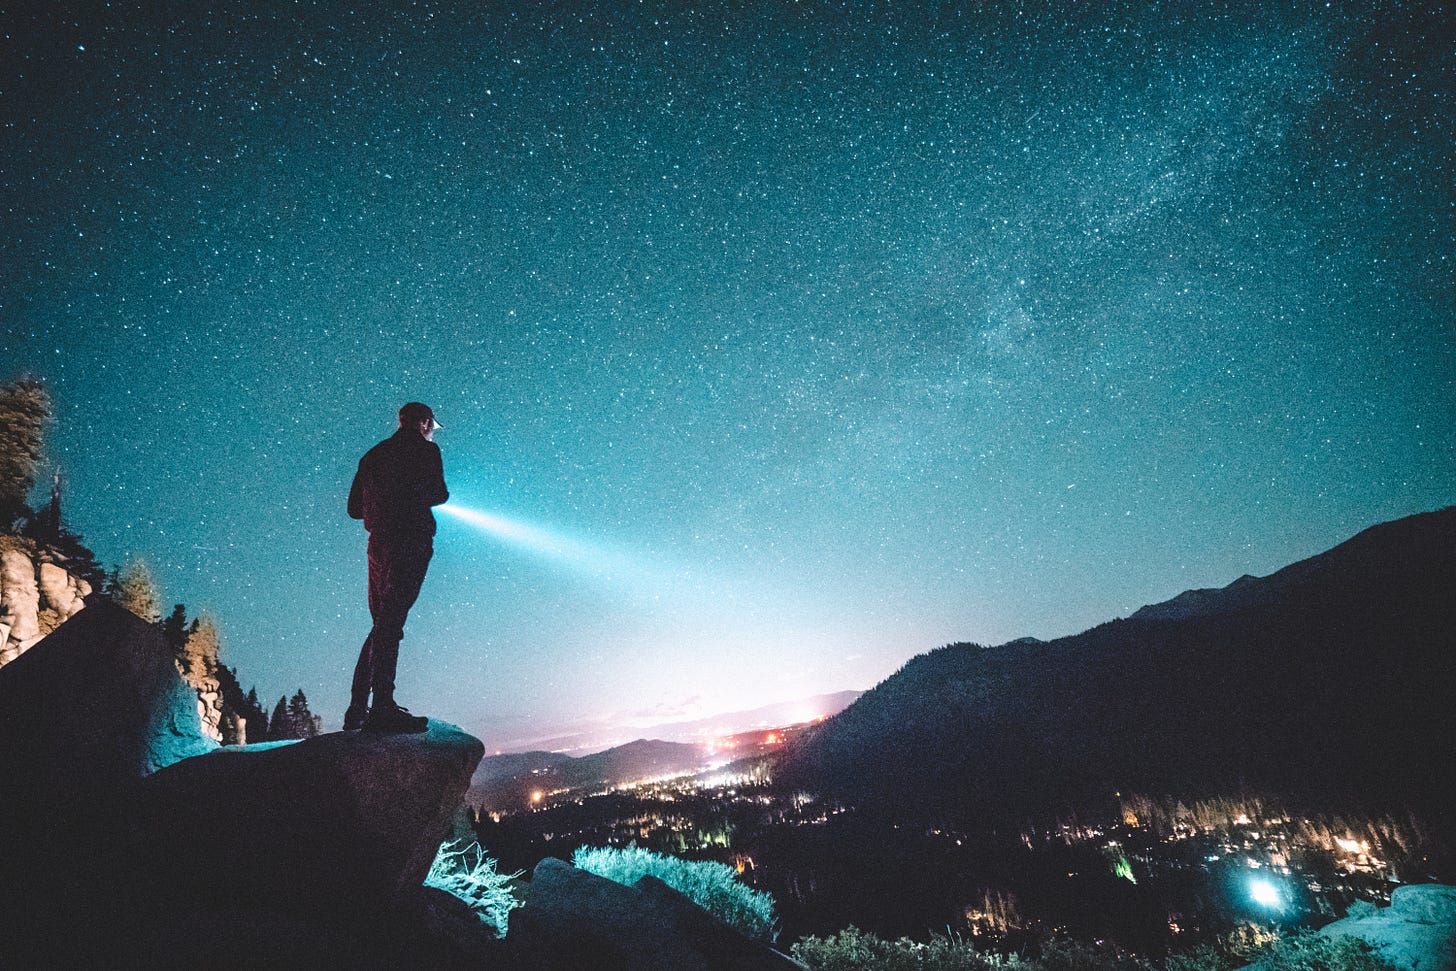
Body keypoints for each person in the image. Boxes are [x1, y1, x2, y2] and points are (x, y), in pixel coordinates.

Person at [345, 402, 448, 732]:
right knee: (392, 620)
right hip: (411, 538)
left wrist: (382, 502)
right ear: (424, 422)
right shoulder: (425, 451)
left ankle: (358, 708)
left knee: (382, 622)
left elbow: (353, 509)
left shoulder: (372, 456)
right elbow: (439, 494)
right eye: (431, 425)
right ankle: (383, 708)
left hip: (378, 544)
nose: (432, 431)